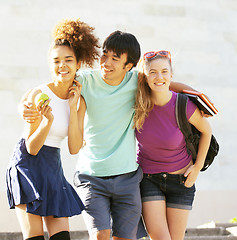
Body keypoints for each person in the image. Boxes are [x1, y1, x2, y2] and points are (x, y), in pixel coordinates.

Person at [20, 31, 198, 240]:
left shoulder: (137, 81)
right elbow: (58, 82)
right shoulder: (85, 80)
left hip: (128, 177)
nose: (106, 62)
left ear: (129, 65)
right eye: (105, 55)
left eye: (115, 59)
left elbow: (163, 83)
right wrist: (24, 102)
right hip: (91, 176)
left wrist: (197, 96)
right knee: (101, 235)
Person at [6, 19, 100, 240]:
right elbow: (31, 147)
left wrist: (72, 106)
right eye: (56, 61)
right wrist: (47, 122)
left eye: (68, 60)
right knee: (35, 237)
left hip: (52, 167)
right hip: (27, 166)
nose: (62, 66)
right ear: (50, 65)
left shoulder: (79, 101)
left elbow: (75, 148)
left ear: (78, 64)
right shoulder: (38, 95)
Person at [133, 50, 212, 240]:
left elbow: (206, 131)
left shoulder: (183, 105)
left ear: (171, 74)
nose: (159, 77)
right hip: (149, 180)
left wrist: (198, 167)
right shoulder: (137, 104)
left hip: (182, 181)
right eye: (152, 72)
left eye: (164, 72)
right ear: (144, 76)